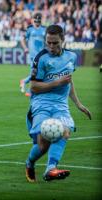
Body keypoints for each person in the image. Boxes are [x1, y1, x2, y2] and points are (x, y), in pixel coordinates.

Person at [25, 24, 92, 182]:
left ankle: (51, 168)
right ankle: (29, 163)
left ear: (63, 40)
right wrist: (56, 83)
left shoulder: (71, 57)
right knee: (43, 144)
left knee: (65, 131)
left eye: (55, 43)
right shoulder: (41, 58)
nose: (51, 46)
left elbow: (69, 81)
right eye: (48, 42)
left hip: (61, 105)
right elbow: (33, 86)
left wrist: (78, 104)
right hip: (41, 103)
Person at [20, 13, 46, 97]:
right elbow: (22, 39)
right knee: (35, 72)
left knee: (39, 72)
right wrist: (25, 48)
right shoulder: (30, 29)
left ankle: (24, 81)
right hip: (33, 55)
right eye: (36, 20)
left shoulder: (44, 29)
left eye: (38, 20)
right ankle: (30, 90)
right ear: (33, 20)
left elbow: (47, 41)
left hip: (42, 54)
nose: (37, 22)